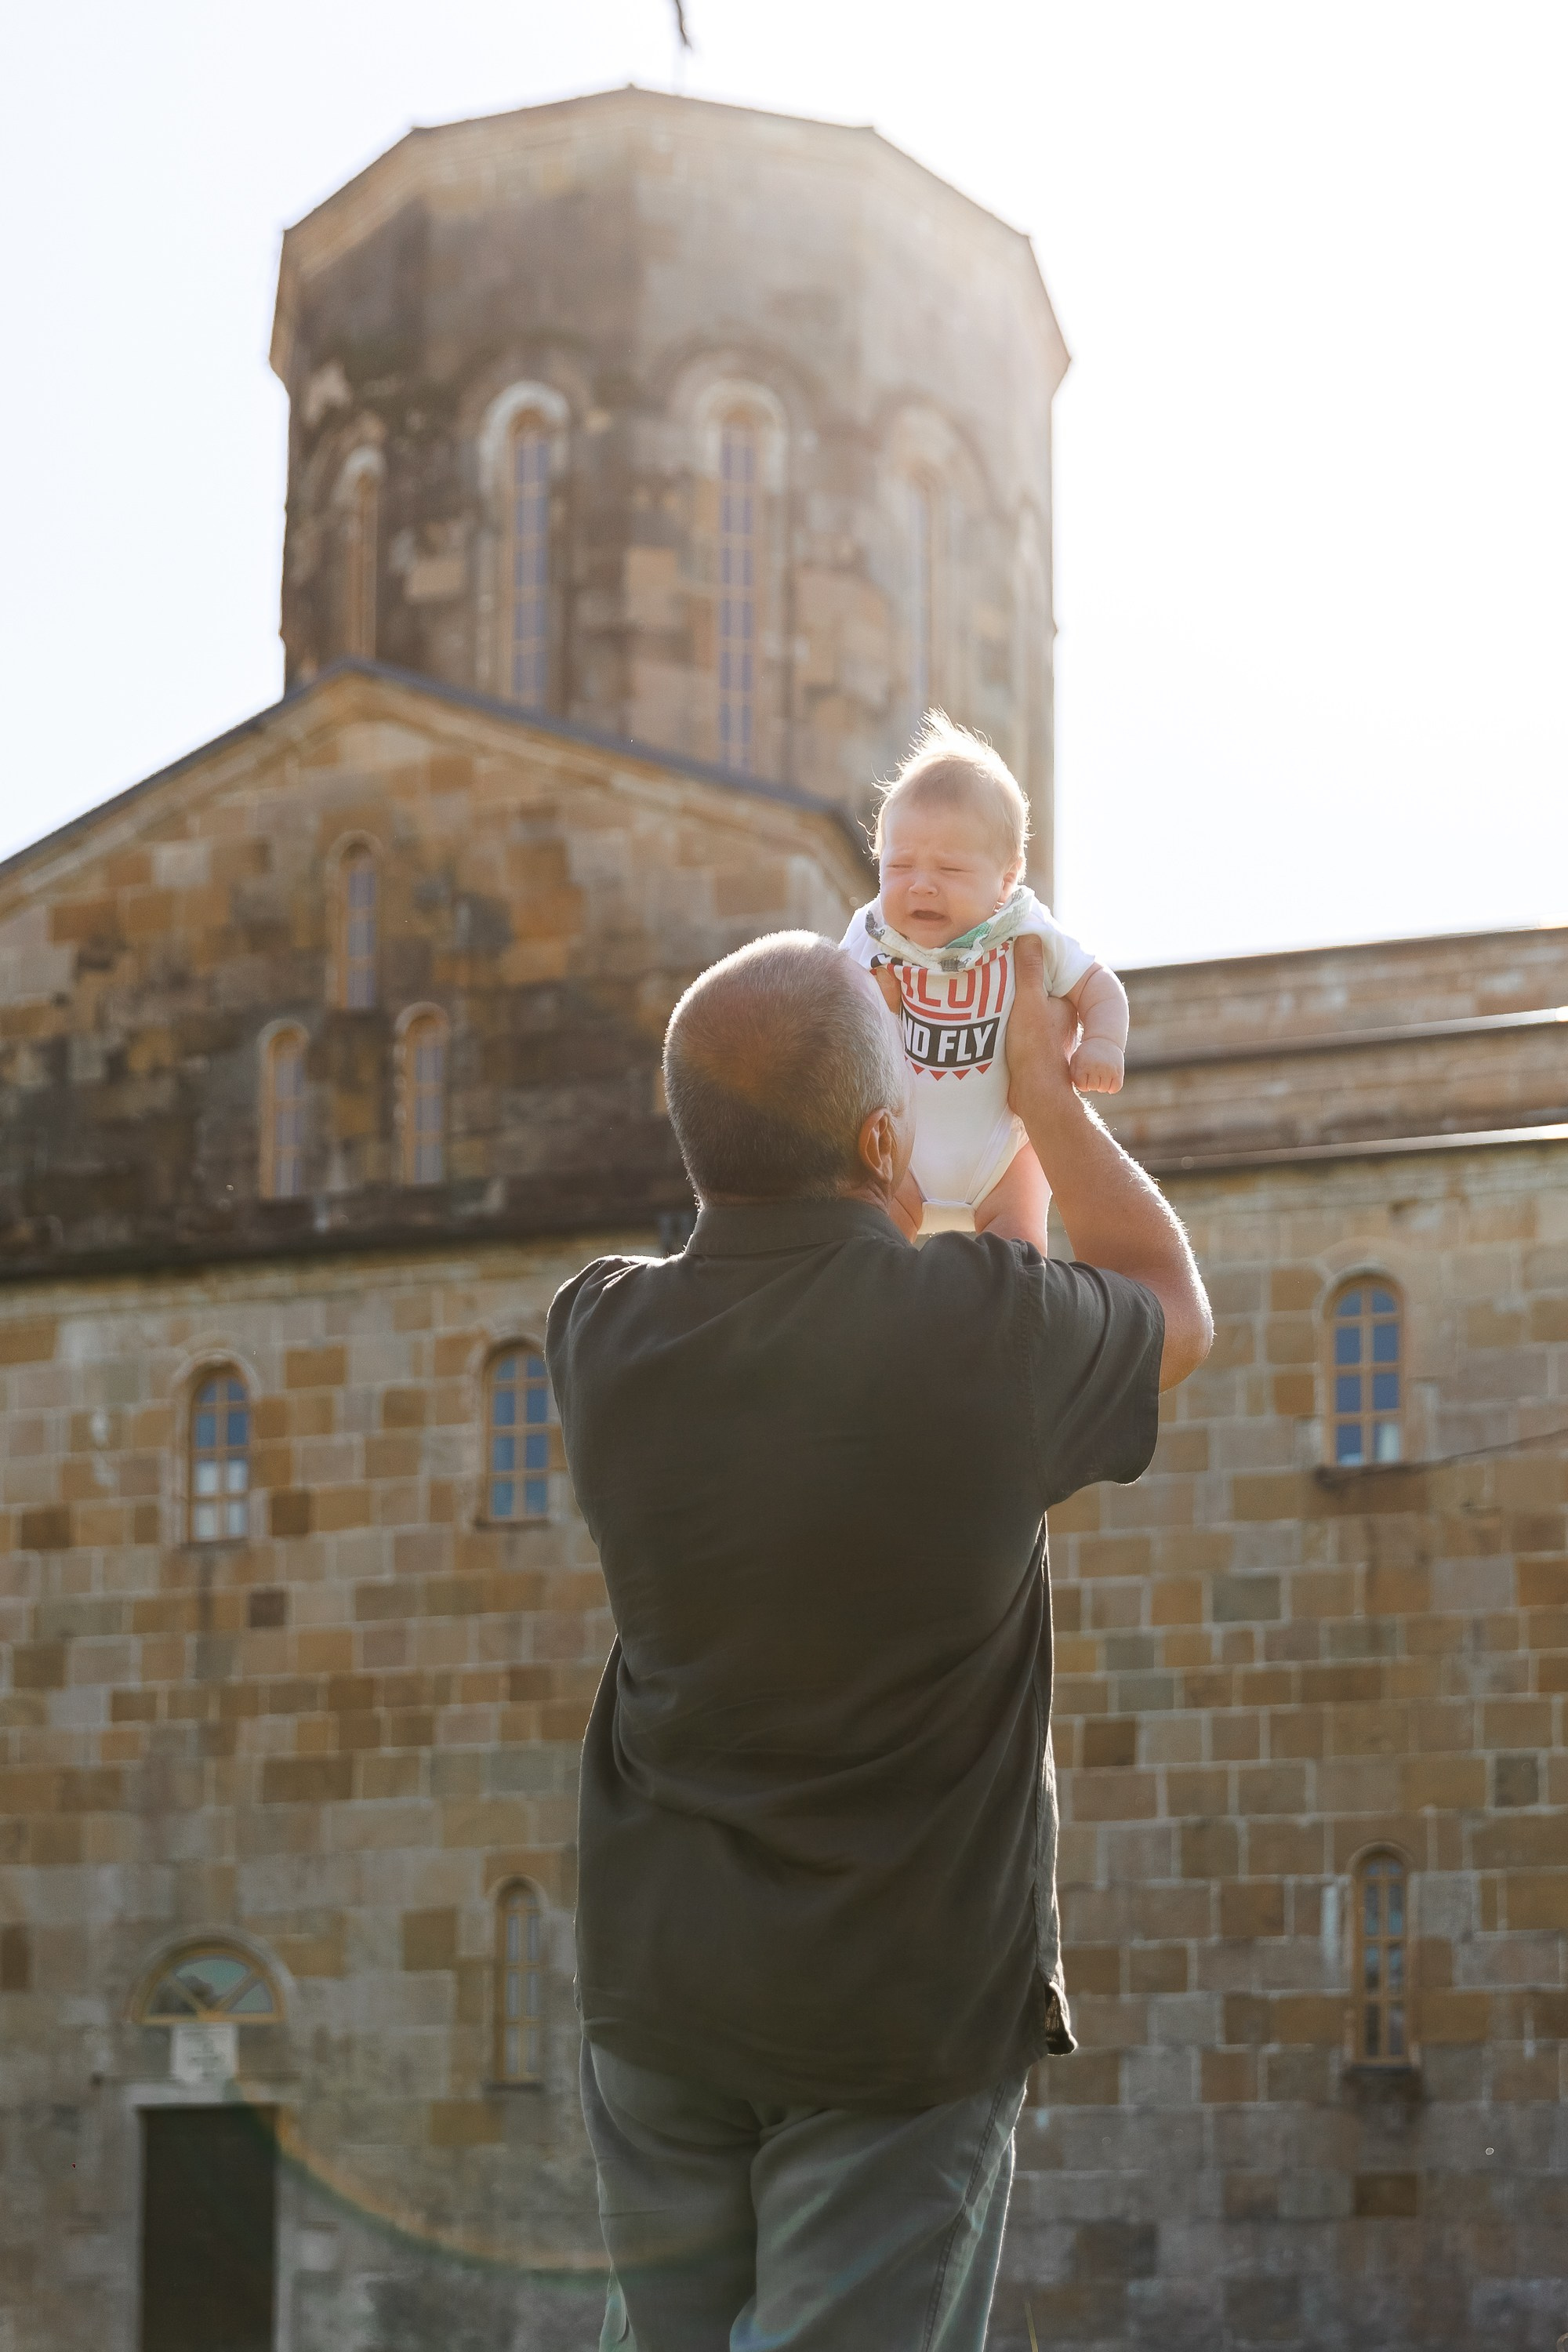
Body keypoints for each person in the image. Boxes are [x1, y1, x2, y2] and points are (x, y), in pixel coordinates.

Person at [546, 928, 1210, 2352]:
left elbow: (787, 1254)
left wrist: (855, 1096)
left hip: (661, 1994)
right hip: (895, 2012)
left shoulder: (596, 1336)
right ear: (877, 1129)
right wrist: (1037, 1097)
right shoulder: (983, 1339)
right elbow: (1172, 1303)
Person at [839, 711, 1130, 1249]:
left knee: (1020, 1251)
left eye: (949, 871)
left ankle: (1013, 1295)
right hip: (903, 1148)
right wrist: (860, 1000)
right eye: (900, 866)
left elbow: (1099, 985)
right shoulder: (873, 931)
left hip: (1004, 1147)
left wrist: (1104, 1043)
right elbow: (826, 996)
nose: (922, 886)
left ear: (1008, 877)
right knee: (870, 1240)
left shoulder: (1026, 930)